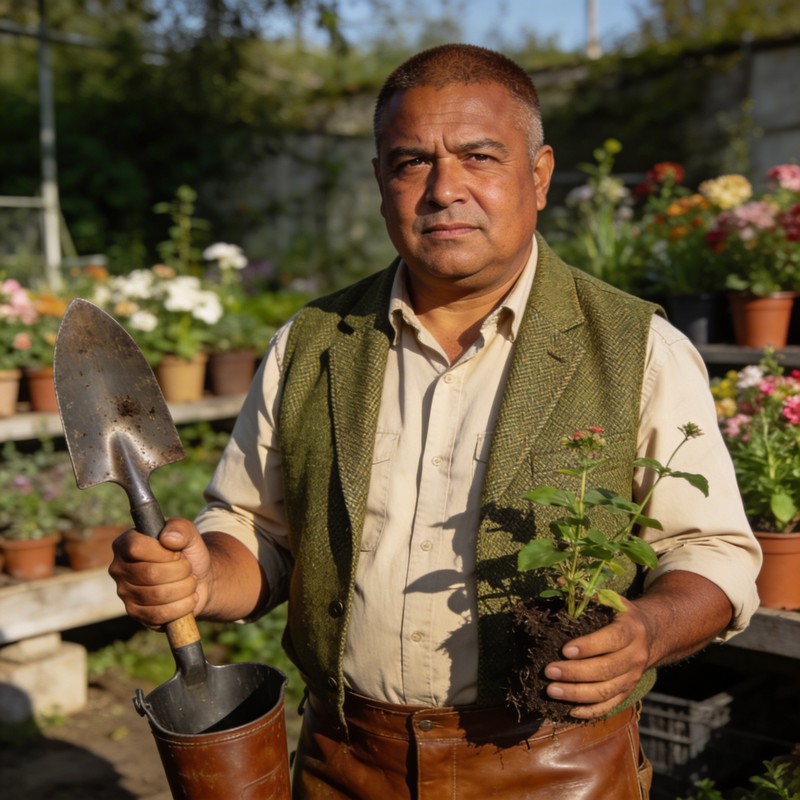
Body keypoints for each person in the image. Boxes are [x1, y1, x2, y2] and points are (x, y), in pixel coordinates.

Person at [110, 44, 761, 799]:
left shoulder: (636, 348)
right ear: (381, 181)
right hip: (347, 762)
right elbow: (259, 530)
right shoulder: (314, 342)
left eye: (479, 156)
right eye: (411, 162)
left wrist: (645, 630)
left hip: (555, 766)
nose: (444, 189)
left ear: (540, 174)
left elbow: (713, 551)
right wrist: (198, 575)